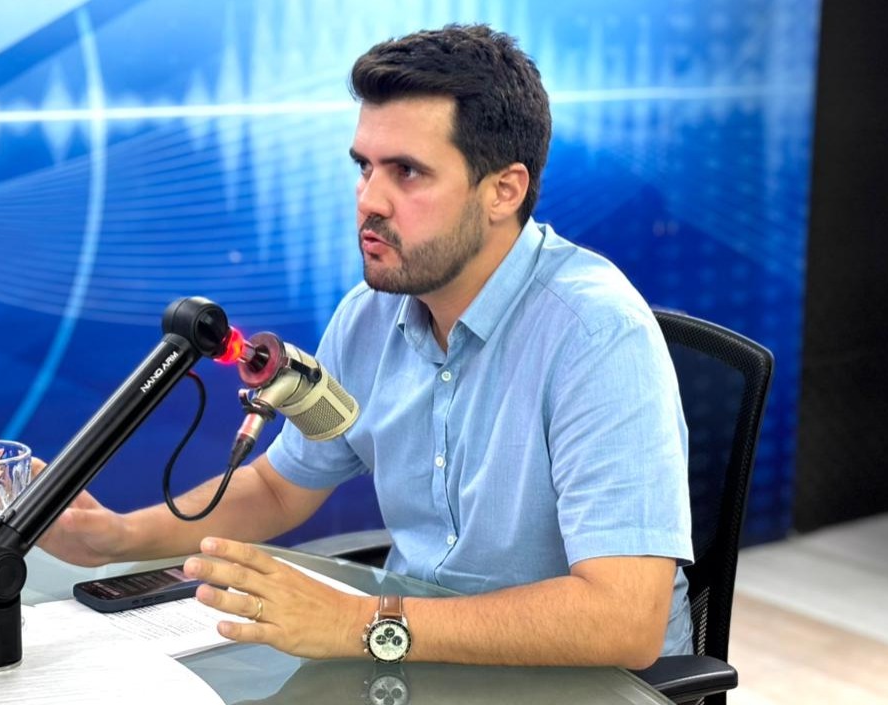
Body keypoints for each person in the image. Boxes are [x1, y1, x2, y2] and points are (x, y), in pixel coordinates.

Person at [37, 23, 692, 670]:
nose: (369, 200)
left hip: (583, 683)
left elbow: (623, 618)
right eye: (364, 167)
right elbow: (278, 489)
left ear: (503, 190)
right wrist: (114, 538)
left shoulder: (597, 335)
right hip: (421, 657)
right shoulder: (370, 315)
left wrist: (359, 622)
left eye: (407, 172)